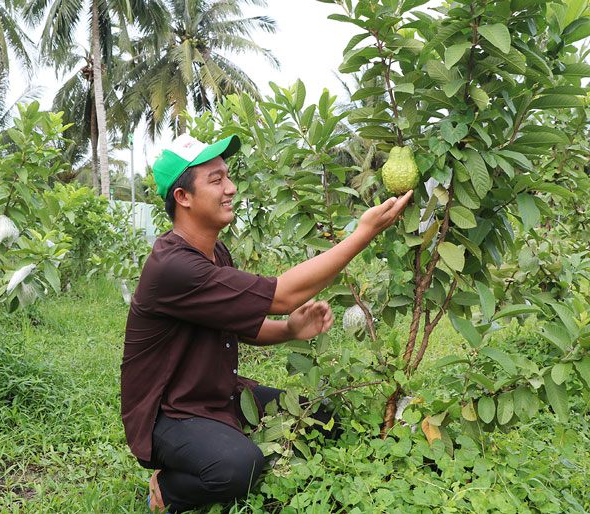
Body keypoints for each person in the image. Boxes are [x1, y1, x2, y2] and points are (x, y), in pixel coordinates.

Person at [120, 134, 412, 513]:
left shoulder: (213, 252)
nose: (231, 187)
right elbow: (283, 296)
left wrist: (288, 330)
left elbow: (240, 325)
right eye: (216, 180)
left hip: (220, 395)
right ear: (183, 197)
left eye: (228, 176)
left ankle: (222, 439)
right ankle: (167, 488)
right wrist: (363, 234)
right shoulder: (173, 266)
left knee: (322, 420)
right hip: (168, 414)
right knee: (239, 468)